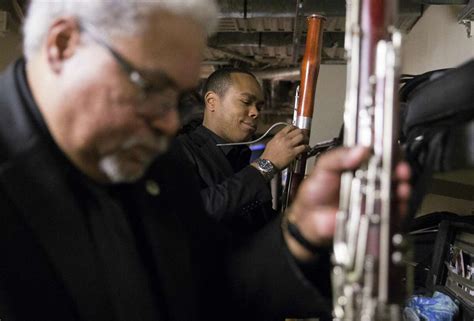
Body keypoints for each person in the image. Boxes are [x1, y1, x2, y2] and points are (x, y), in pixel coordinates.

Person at [0, 1, 412, 321]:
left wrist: (300, 232)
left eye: (177, 99)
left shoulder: (159, 164)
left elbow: (216, 290)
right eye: (151, 88)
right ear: (63, 46)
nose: (167, 123)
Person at [177, 68, 308, 233]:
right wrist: (265, 165)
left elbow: (259, 224)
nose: (255, 113)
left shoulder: (242, 158)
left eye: (259, 107)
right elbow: (193, 213)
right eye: (246, 102)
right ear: (211, 101)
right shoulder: (179, 150)